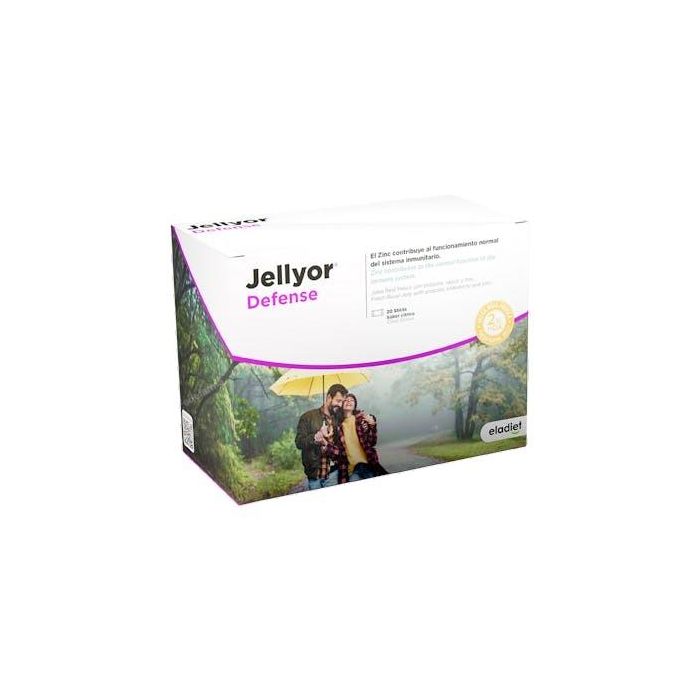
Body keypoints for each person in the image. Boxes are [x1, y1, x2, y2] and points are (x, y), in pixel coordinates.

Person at [326, 393, 388, 483]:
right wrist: (327, 441)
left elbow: (372, 442)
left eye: (352, 400)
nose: (349, 401)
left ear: (355, 405)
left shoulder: (362, 420)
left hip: (368, 465)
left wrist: (372, 426)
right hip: (351, 470)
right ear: (341, 404)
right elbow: (336, 455)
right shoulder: (337, 427)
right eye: (346, 400)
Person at [295, 383, 348, 489]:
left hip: (333, 473)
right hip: (314, 475)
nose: (340, 405)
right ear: (329, 397)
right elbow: (299, 442)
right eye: (338, 401)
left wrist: (370, 419)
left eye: (342, 402)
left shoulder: (338, 419)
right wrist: (315, 437)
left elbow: (353, 412)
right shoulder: (307, 417)